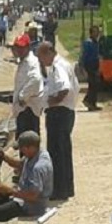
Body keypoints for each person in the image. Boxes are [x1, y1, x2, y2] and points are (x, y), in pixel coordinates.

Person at [37, 42, 78, 200]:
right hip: (66, 112)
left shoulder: (57, 66)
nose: (41, 61)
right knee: (64, 151)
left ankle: (59, 190)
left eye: (41, 56)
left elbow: (64, 88)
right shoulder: (63, 64)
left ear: (48, 52)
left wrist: (51, 102)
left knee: (56, 152)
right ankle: (67, 187)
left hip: (59, 113)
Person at [11, 34, 43, 138]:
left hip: (28, 109)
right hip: (22, 109)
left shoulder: (31, 62)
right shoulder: (23, 61)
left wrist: (23, 96)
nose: (19, 50)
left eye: (21, 47)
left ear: (28, 47)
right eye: (17, 47)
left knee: (29, 143)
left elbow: (36, 79)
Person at [81, 25, 103, 111]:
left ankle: (92, 103)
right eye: (95, 31)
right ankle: (87, 100)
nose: (97, 33)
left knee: (95, 85)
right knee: (93, 84)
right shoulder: (88, 42)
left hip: (95, 64)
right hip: (89, 65)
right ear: (91, 33)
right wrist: (83, 67)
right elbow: (84, 55)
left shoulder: (95, 42)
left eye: (98, 31)